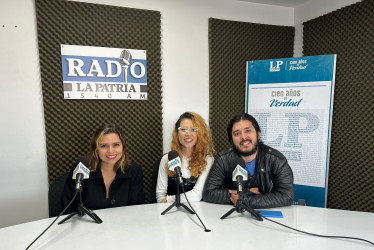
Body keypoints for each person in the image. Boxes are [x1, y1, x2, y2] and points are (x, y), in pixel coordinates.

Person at [203, 113, 294, 208]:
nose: (243, 137)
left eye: (248, 131)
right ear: (231, 140)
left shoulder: (276, 159)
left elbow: (286, 196)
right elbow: (209, 193)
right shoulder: (223, 160)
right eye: (237, 133)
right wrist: (247, 192)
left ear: (258, 134)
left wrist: (244, 200)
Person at [61, 124, 144, 214]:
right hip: (88, 226)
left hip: (123, 226)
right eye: (104, 146)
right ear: (96, 149)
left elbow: (137, 210)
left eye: (116, 145)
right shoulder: (82, 169)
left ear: (123, 146)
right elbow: (67, 210)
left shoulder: (134, 171)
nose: (111, 151)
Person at [156, 112, 215, 203]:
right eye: (183, 129)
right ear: (177, 133)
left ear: (200, 133)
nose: (188, 133)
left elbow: (197, 195)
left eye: (194, 129)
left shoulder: (207, 160)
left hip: (197, 214)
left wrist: (169, 199)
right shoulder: (166, 159)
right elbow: (160, 196)